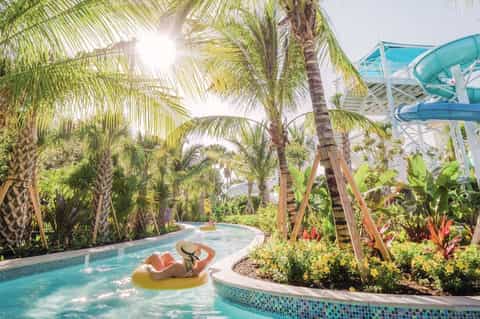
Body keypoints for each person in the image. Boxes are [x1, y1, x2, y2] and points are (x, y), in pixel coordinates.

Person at [144, 241, 215, 280]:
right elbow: (212, 253)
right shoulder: (199, 266)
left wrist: (149, 268)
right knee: (167, 254)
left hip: (164, 270)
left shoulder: (177, 267)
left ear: (182, 254)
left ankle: (143, 264)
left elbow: (156, 276)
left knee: (155, 255)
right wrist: (200, 245)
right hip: (181, 268)